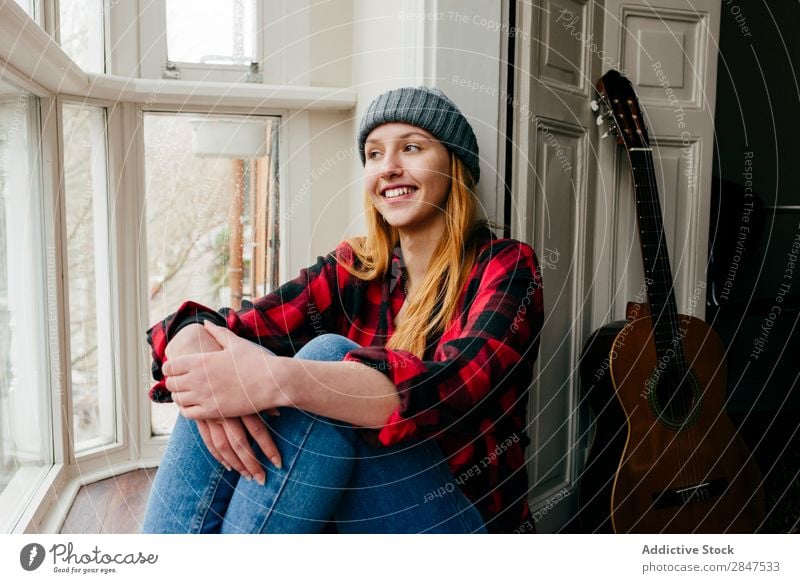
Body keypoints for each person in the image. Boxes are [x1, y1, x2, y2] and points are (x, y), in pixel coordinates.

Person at [141, 86, 543, 534]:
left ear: (455, 166)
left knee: (328, 356)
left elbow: (455, 389)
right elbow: (230, 327)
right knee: (213, 367)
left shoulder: (507, 265)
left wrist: (279, 379)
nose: (389, 168)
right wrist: (195, 345)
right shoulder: (355, 268)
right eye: (374, 154)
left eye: (411, 148)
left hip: (460, 519)